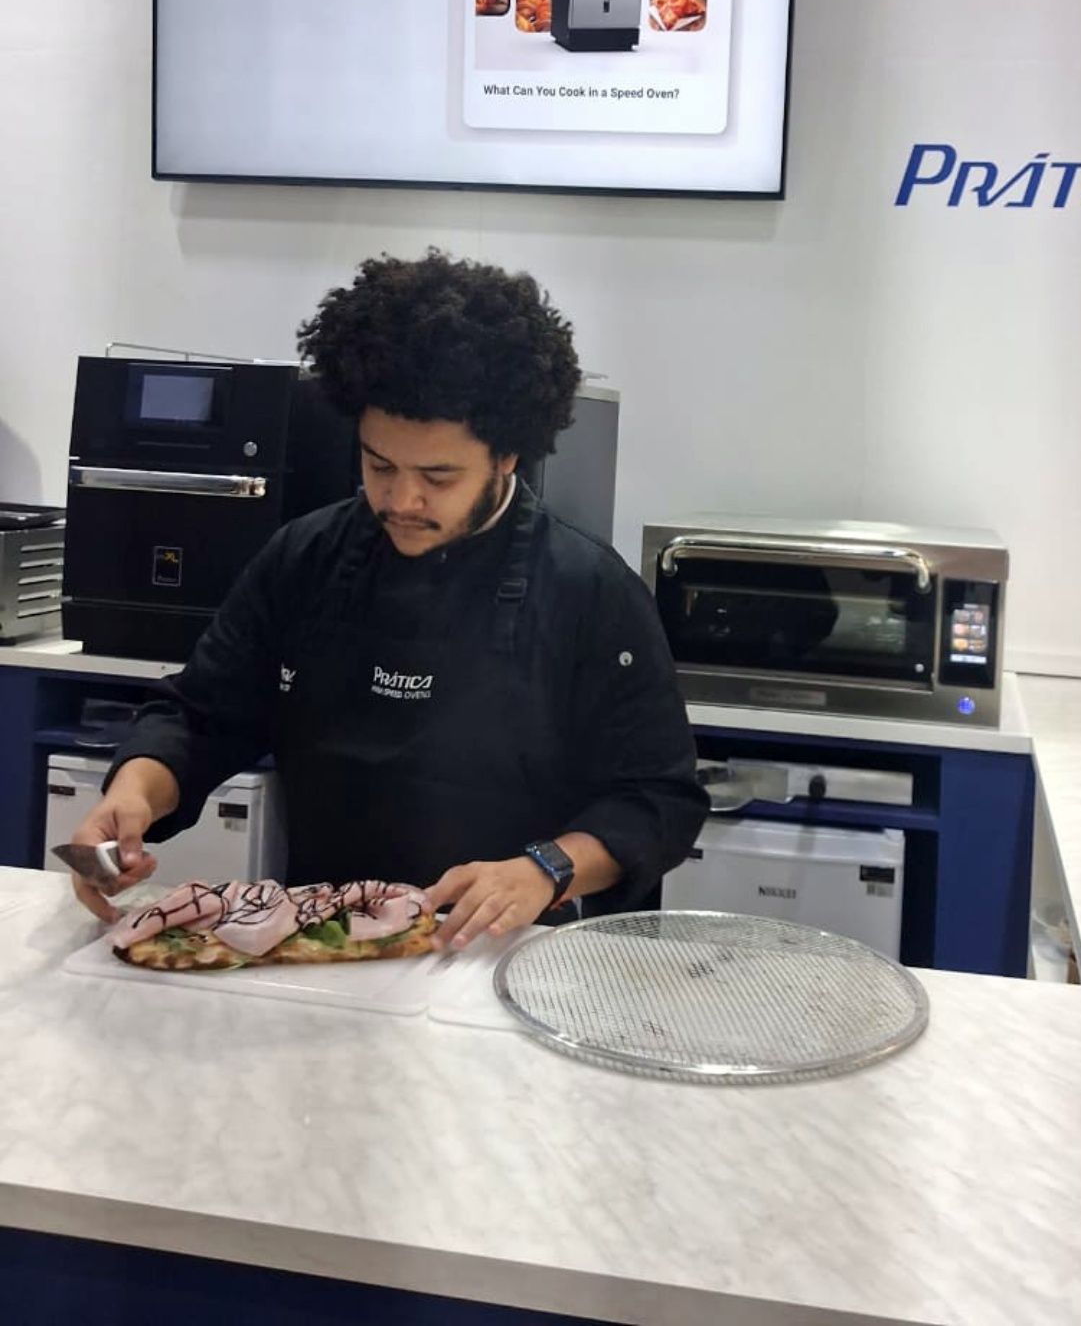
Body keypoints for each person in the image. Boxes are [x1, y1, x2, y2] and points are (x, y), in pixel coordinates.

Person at [69, 250, 707, 951]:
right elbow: (199, 717)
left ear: (507, 456)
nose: (402, 500)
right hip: (322, 949)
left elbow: (658, 800)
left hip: (504, 961)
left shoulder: (590, 591)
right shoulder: (303, 559)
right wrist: (132, 793)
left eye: (438, 475)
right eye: (379, 465)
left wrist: (545, 868)